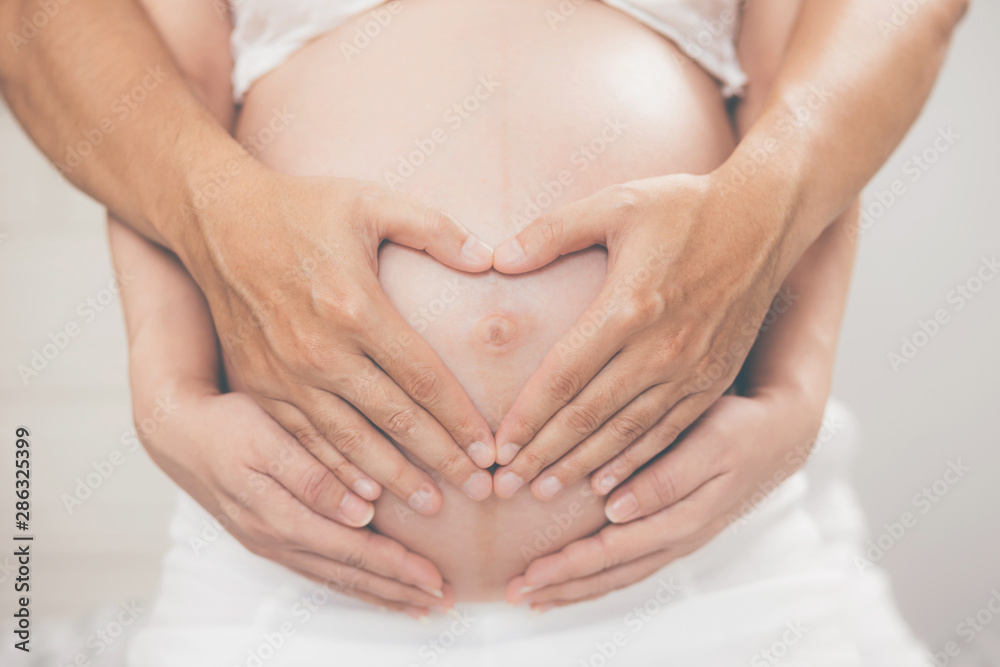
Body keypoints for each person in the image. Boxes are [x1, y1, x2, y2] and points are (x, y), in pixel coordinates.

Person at [89, 0, 946, 664]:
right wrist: (169, 390)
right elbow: (169, 100)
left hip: (702, 565)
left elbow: (801, 97)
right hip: (290, 574)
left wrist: (796, 392)